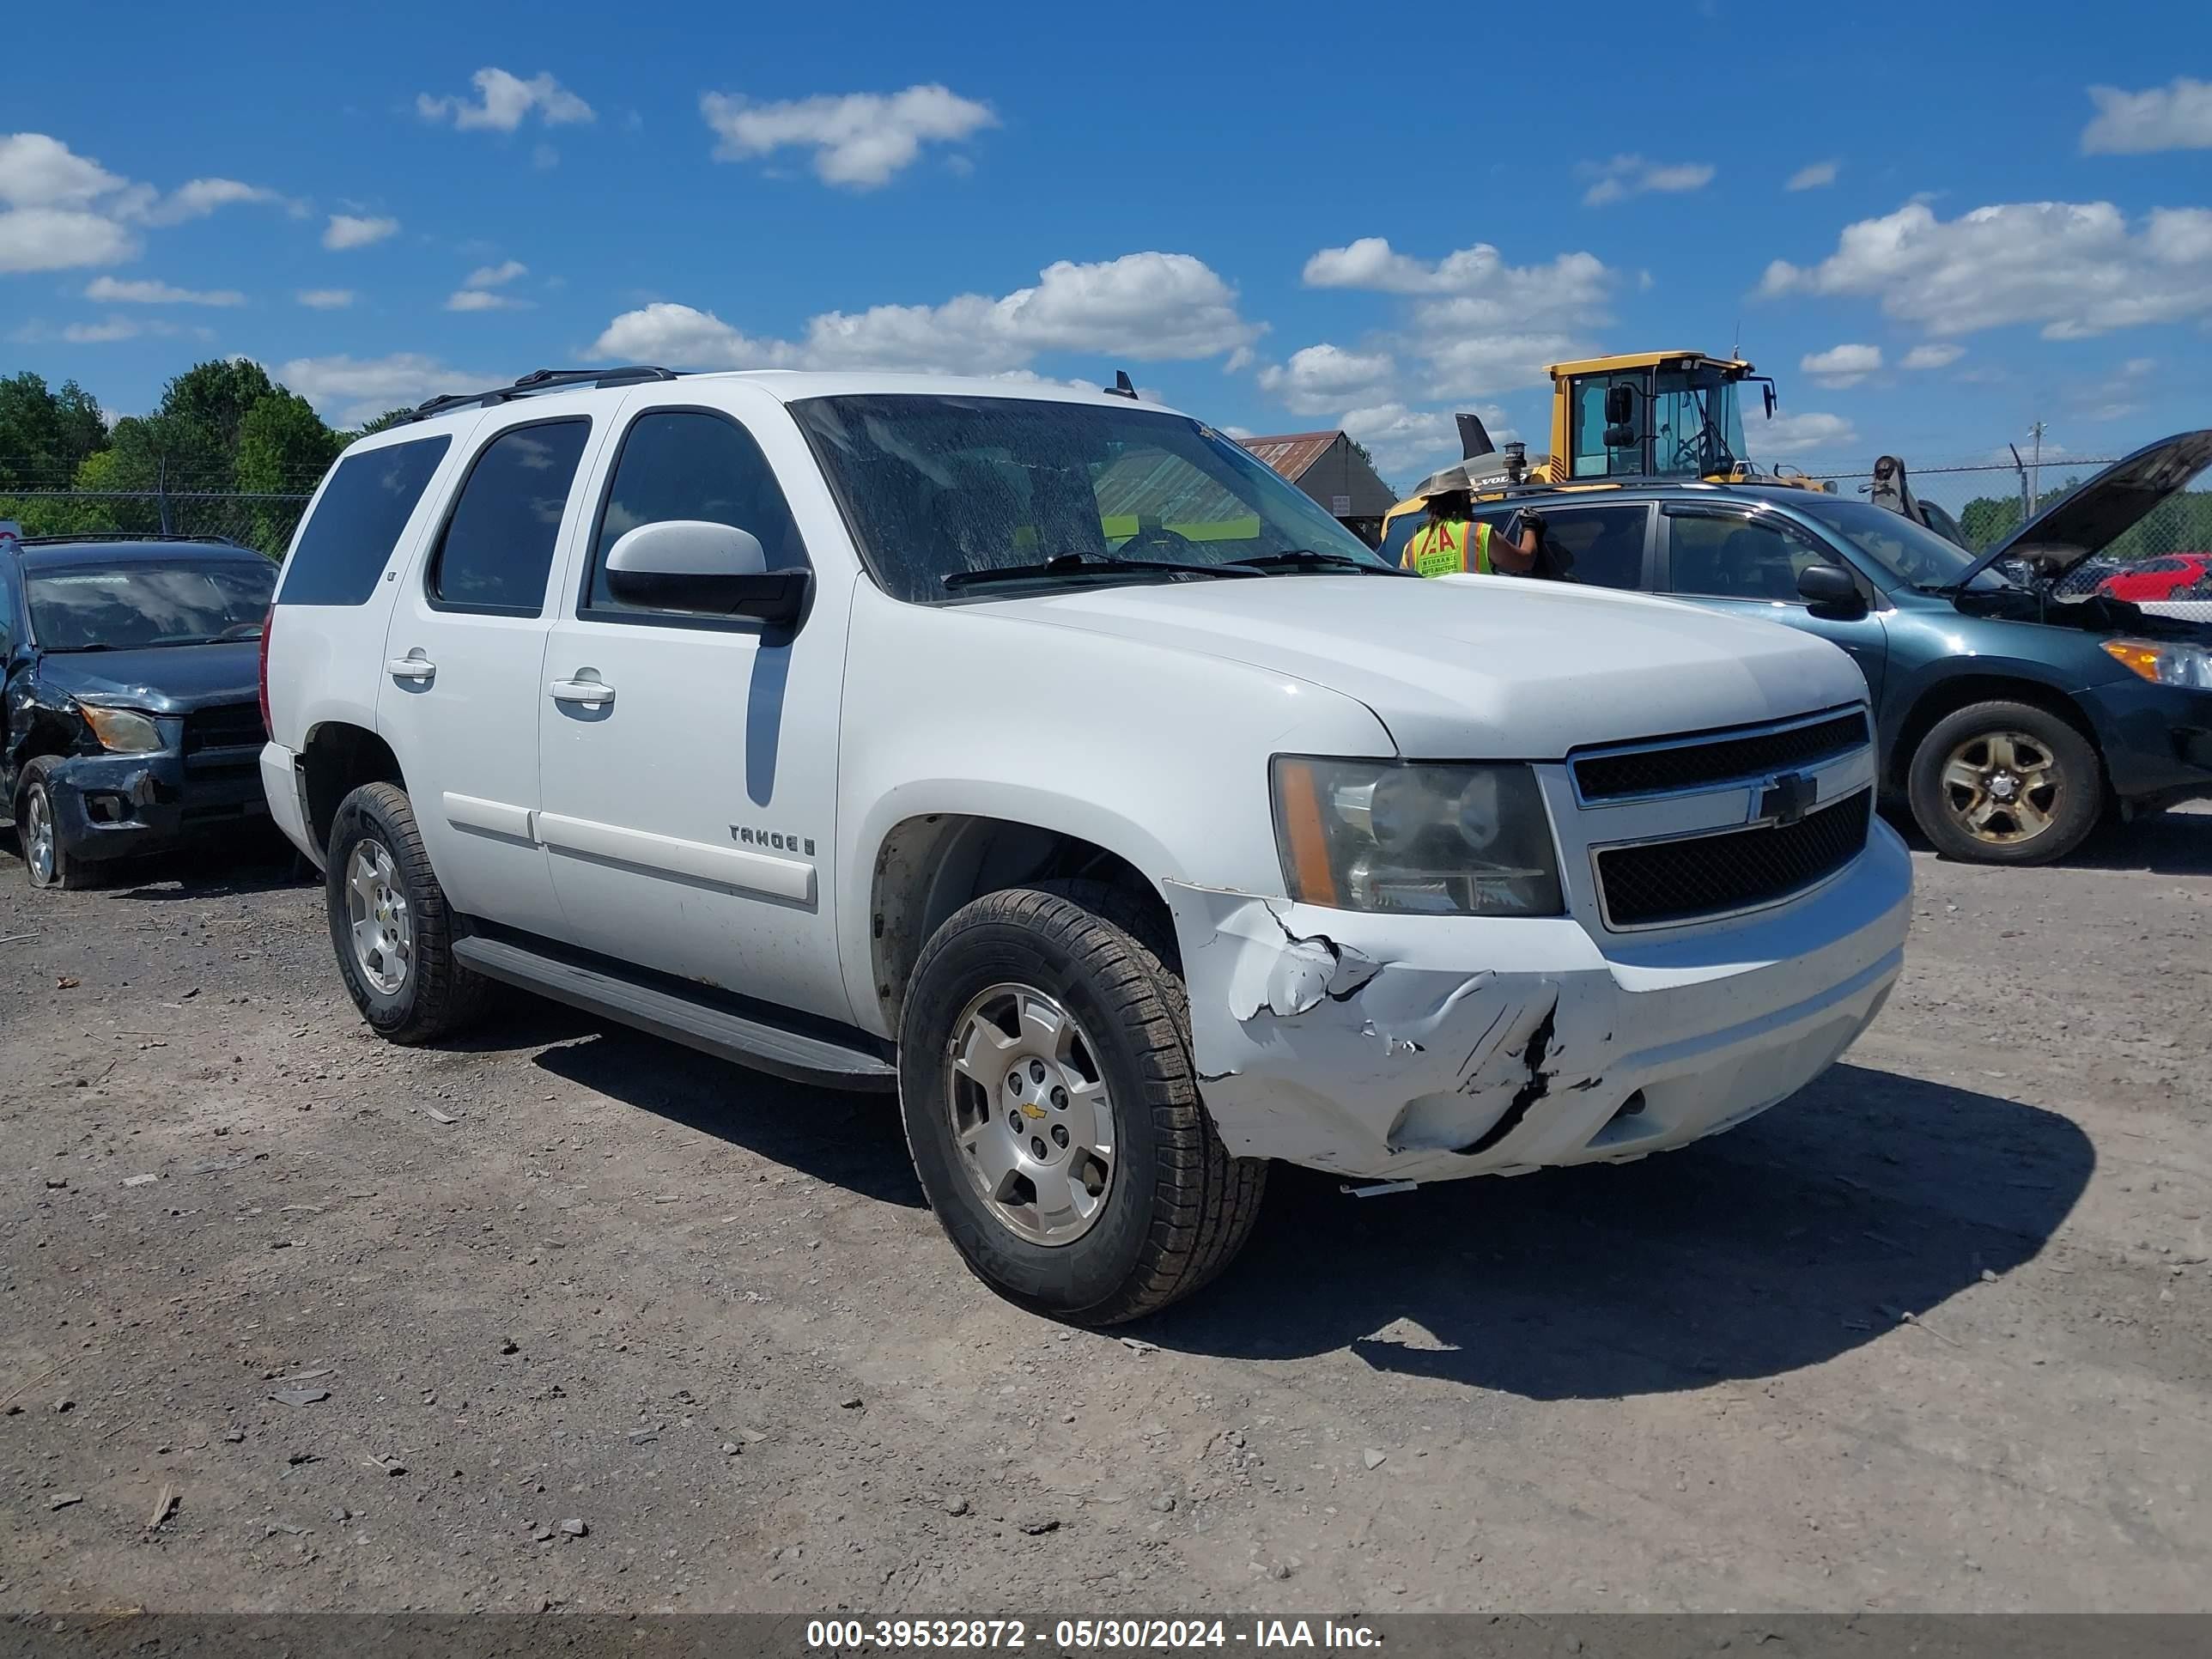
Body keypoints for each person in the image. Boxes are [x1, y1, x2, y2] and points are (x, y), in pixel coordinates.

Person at [1397, 465, 1541, 578]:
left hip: (1432, 615)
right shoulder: (1479, 533)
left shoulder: (1412, 546)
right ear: (1464, 498)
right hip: (1474, 613)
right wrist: (1530, 527)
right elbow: (1524, 561)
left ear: (1432, 503)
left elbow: (1406, 588)